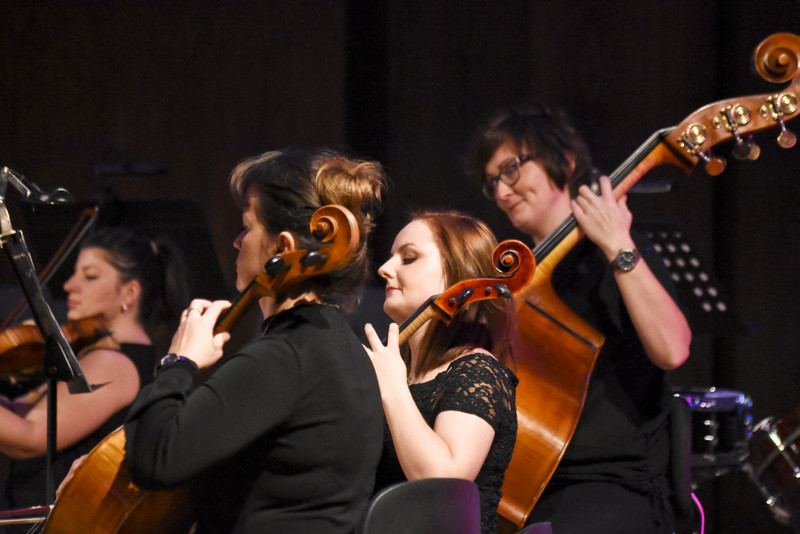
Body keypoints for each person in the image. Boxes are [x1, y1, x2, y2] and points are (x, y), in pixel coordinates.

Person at [123, 147, 387, 534]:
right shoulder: (340, 347)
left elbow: (154, 460)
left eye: (247, 227)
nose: (236, 241)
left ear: (282, 249)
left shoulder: (282, 357)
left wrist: (179, 362)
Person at [465, 104, 692, 534]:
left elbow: (673, 349)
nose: (502, 191)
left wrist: (617, 245)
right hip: (528, 482)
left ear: (565, 162)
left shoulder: (618, 253)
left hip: (610, 484)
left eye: (511, 169)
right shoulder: (518, 282)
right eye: (492, 182)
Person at [0, 226, 189, 516]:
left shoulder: (113, 363)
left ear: (129, 292)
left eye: (90, 276)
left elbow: (29, 437)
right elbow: (19, 411)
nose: (69, 285)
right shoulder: (108, 353)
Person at [363, 210, 519, 534]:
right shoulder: (398, 371)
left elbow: (444, 481)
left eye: (409, 258)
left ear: (456, 275)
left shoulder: (478, 371)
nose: (385, 268)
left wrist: (392, 387)